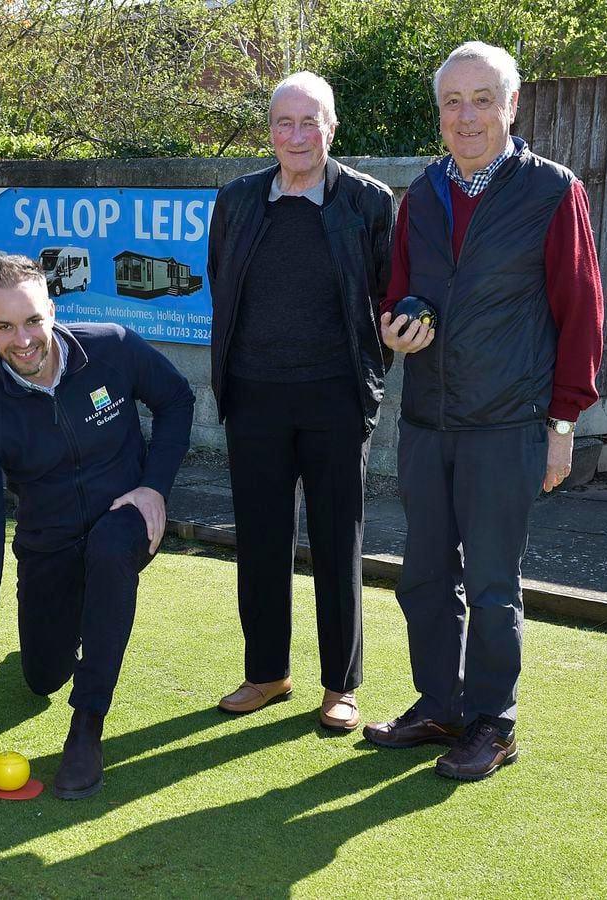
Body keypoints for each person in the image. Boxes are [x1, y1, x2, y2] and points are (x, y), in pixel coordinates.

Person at [363, 42, 604, 781]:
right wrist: (394, 325)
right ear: (439, 114)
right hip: (427, 421)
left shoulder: (553, 191)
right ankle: (440, 704)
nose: (465, 116)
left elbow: (581, 313)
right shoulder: (422, 195)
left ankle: (493, 722)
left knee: (494, 583)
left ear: (511, 106)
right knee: (425, 577)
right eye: (452, 102)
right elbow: (398, 293)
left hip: (508, 423)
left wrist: (561, 426)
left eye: (481, 99)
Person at [0, 255, 194, 799]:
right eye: (4, 326)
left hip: (125, 517)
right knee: (41, 678)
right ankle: (68, 628)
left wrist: (154, 486)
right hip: (47, 544)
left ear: (52, 309)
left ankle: (87, 726)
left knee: (107, 552)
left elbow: (176, 399)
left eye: (32, 320)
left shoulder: (110, 348)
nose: (23, 339)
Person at [206, 72, 396, 730]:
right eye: (284, 123)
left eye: (309, 121)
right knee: (260, 541)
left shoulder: (369, 202)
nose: (296, 135)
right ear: (270, 132)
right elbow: (222, 286)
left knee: (338, 543)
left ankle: (341, 686)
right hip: (254, 396)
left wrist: (367, 383)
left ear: (332, 128)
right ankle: (267, 674)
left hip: (335, 399)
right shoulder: (235, 202)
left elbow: (384, 299)